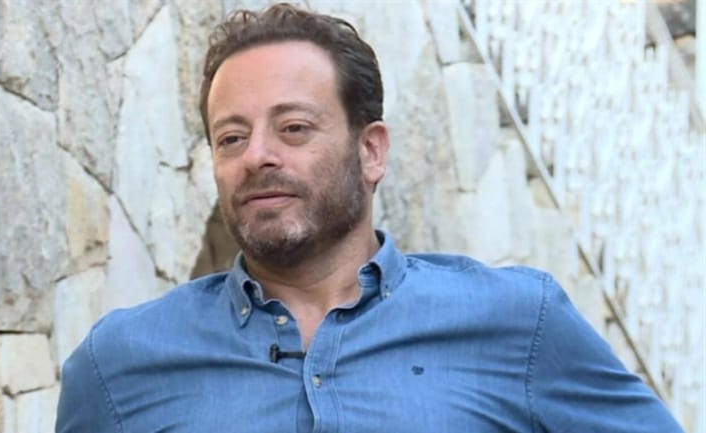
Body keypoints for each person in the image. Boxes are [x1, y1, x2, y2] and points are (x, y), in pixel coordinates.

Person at [56, 3, 685, 432]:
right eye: (231, 138)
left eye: (293, 128)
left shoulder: (520, 323)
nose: (257, 156)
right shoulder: (119, 365)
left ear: (371, 151)